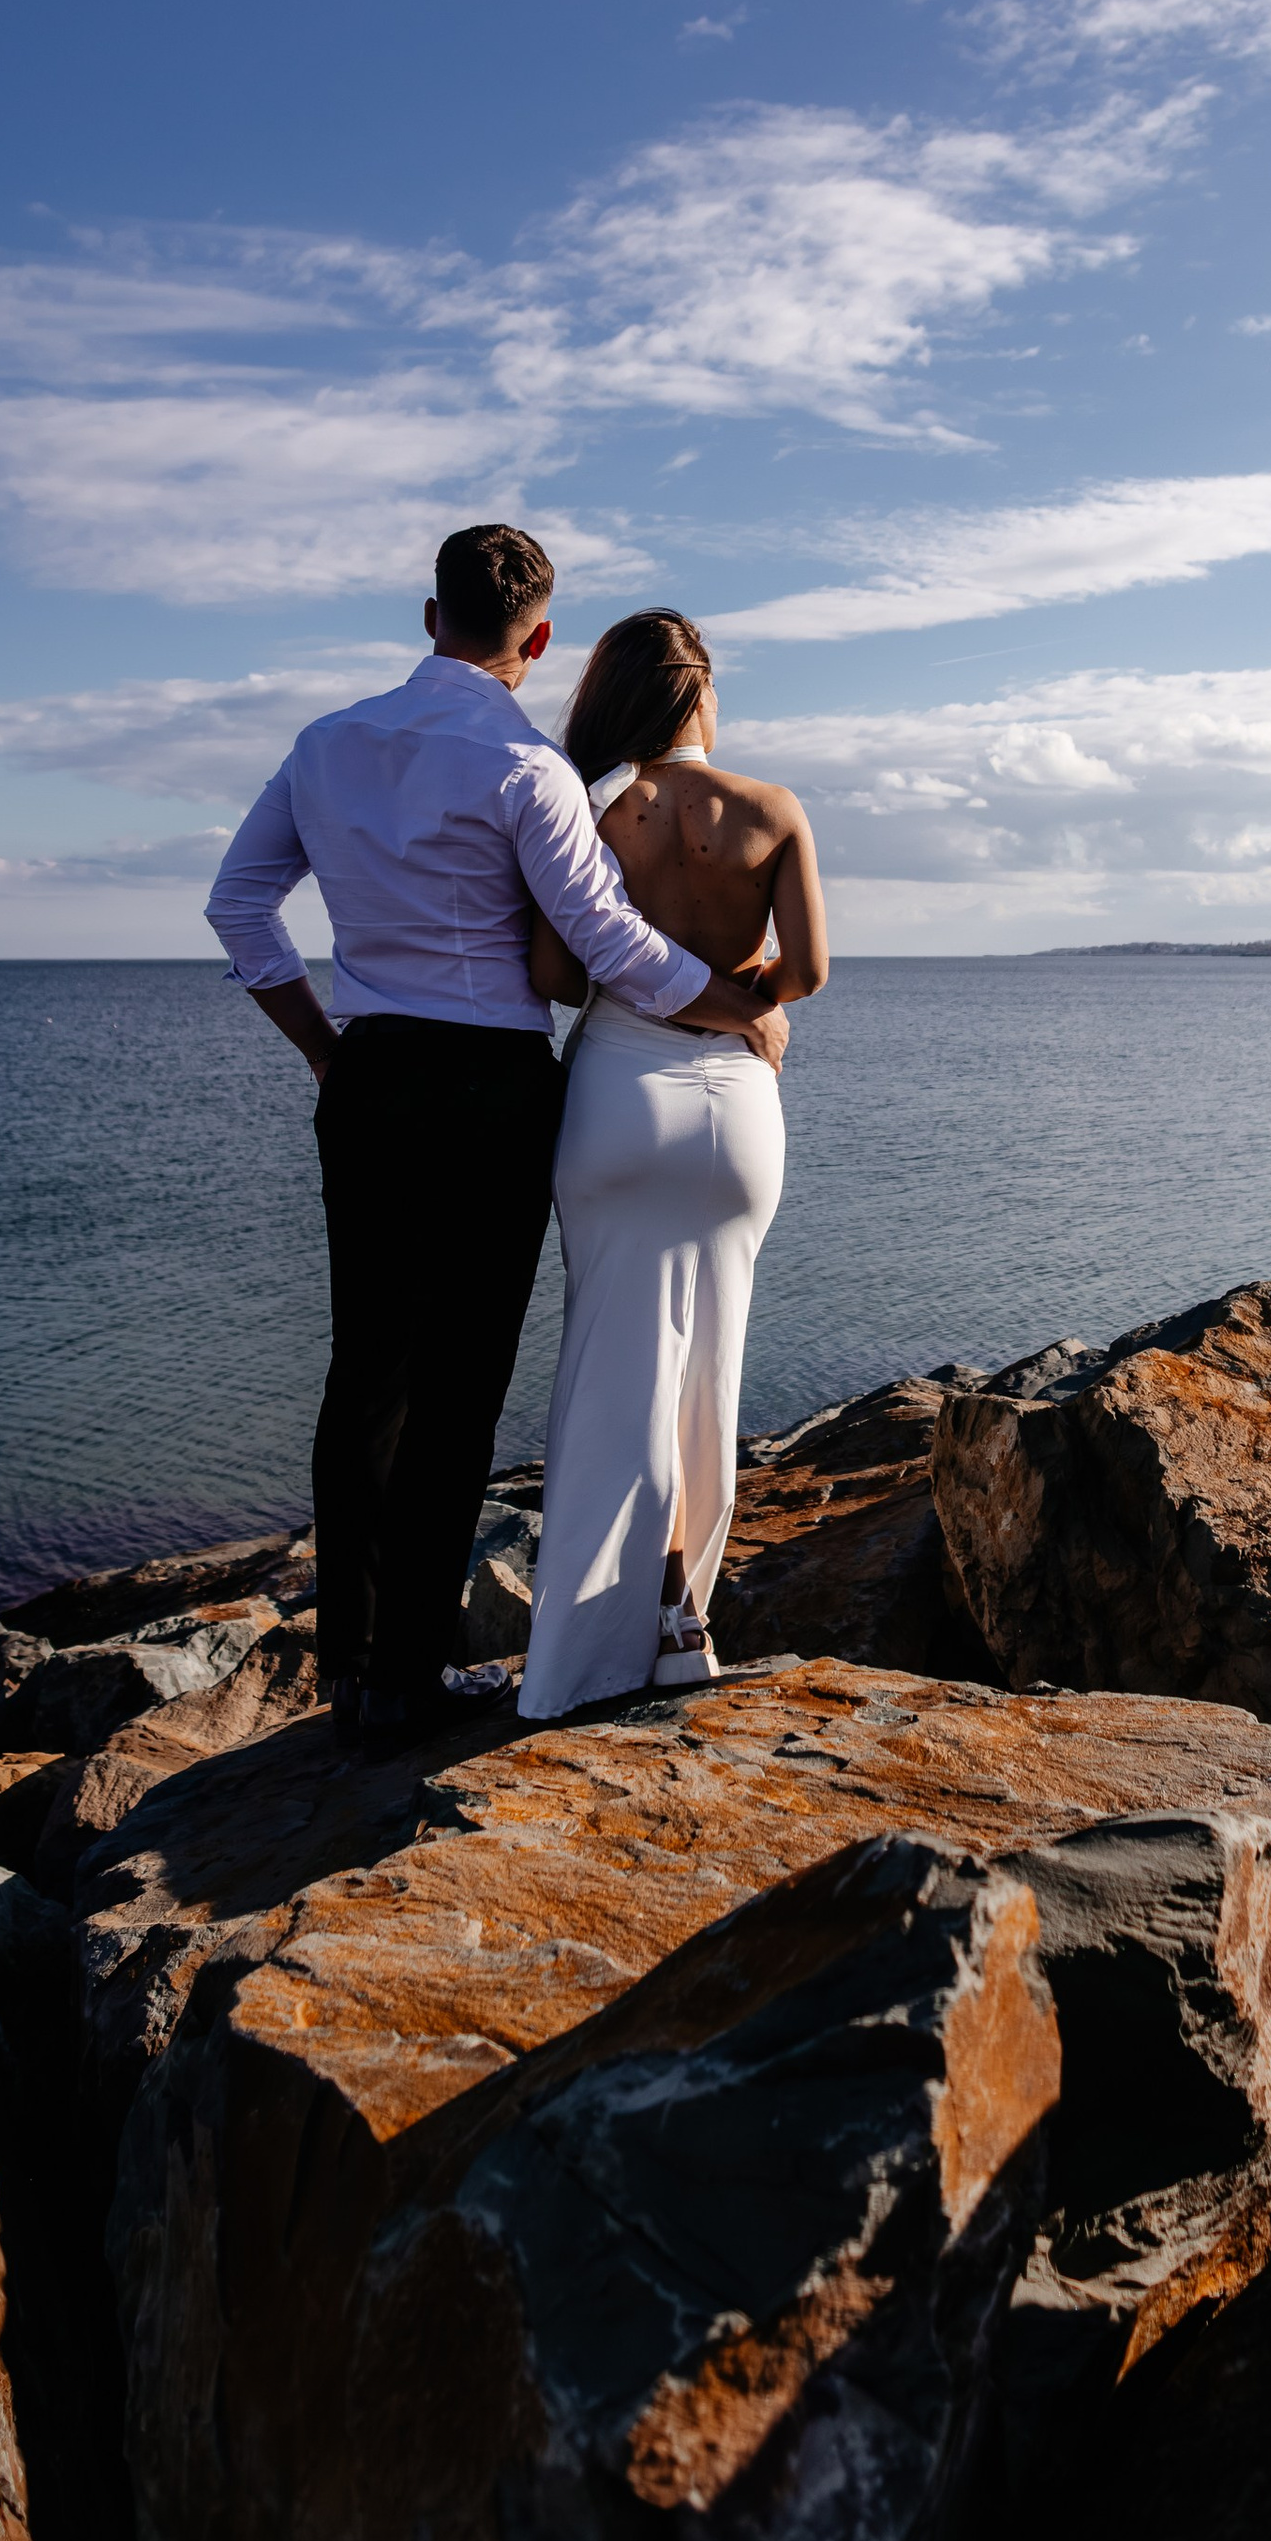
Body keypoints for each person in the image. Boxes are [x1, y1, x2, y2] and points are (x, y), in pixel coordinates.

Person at [203, 526, 789, 1752]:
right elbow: (608, 947)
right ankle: (408, 1680)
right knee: (460, 1387)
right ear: (536, 639)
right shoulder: (528, 767)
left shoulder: (324, 744)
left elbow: (239, 903)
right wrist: (741, 1006)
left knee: (365, 1372)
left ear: (429, 618)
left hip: (369, 1073)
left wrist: (322, 1045)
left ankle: (350, 1671)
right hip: (488, 1085)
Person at [516, 607, 828, 1717]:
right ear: (703, 694)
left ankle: (585, 1654)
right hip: (738, 1108)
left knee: (615, 1368)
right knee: (711, 1369)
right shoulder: (771, 808)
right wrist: (748, 1003)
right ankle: (683, 1617)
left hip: (618, 1096)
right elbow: (812, 970)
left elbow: (556, 974)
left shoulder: (597, 818)